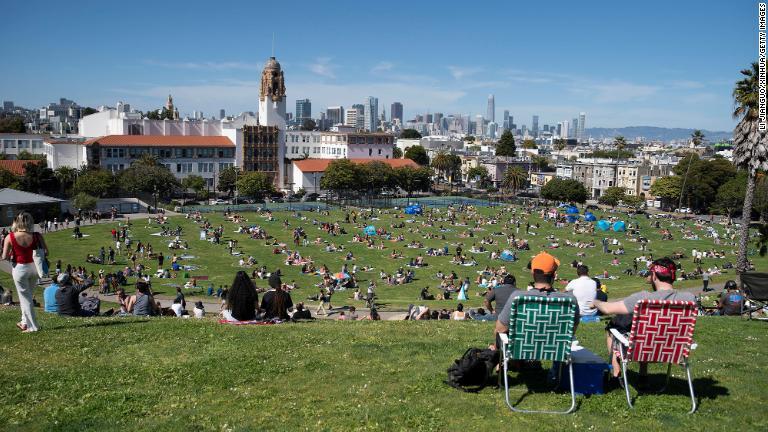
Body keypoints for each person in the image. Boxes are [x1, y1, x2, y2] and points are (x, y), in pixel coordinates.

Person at [591, 257, 696, 386]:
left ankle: (616, 371)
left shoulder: (643, 298)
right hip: (674, 350)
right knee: (648, 328)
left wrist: (596, 302)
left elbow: (607, 309)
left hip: (642, 350)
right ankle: (643, 374)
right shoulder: (689, 299)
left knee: (613, 327)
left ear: (655, 276)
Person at [493, 251, 576, 346]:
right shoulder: (570, 300)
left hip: (523, 350)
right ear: (554, 275)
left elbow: (500, 329)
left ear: (533, 273)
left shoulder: (518, 298)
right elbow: (571, 331)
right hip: (554, 351)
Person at [2, 212, 47, 332]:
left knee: (25, 298)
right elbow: (46, 252)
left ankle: (32, 327)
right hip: (34, 268)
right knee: (27, 296)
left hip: (20, 268)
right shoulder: (36, 235)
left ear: (17, 222)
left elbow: (4, 256)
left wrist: (12, 255)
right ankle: (24, 322)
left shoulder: (10, 236)